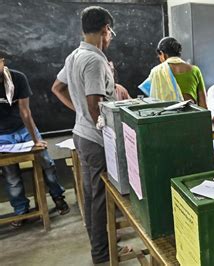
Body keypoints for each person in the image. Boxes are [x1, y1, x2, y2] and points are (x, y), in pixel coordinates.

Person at [51, 6, 130, 264]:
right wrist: (93, 117)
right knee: (99, 198)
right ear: (105, 29)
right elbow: (95, 104)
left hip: (80, 134)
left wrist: (81, 112)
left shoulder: (74, 55)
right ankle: (102, 254)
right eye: (110, 33)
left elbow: (57, 88)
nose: (109, 38)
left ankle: (103, 245)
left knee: (91, 196)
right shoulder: (95, 59)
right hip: (96, 141)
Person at [0, 55, 69, 228]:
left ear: (2, 61)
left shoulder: (17, 78)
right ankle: (21, 210)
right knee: (11, 176)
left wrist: (35, 139)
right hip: (2, 135)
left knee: (47, 163)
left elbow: (25, 112)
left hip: (24, 129)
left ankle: (58, 197)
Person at [148, 37, 207, 108]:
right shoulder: (195, 70)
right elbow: (203, 105)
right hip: (191, 116)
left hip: (166, 117)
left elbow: (152, 101)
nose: (160, 60)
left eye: (159, 56)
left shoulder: (156, 71)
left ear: (162, 54)